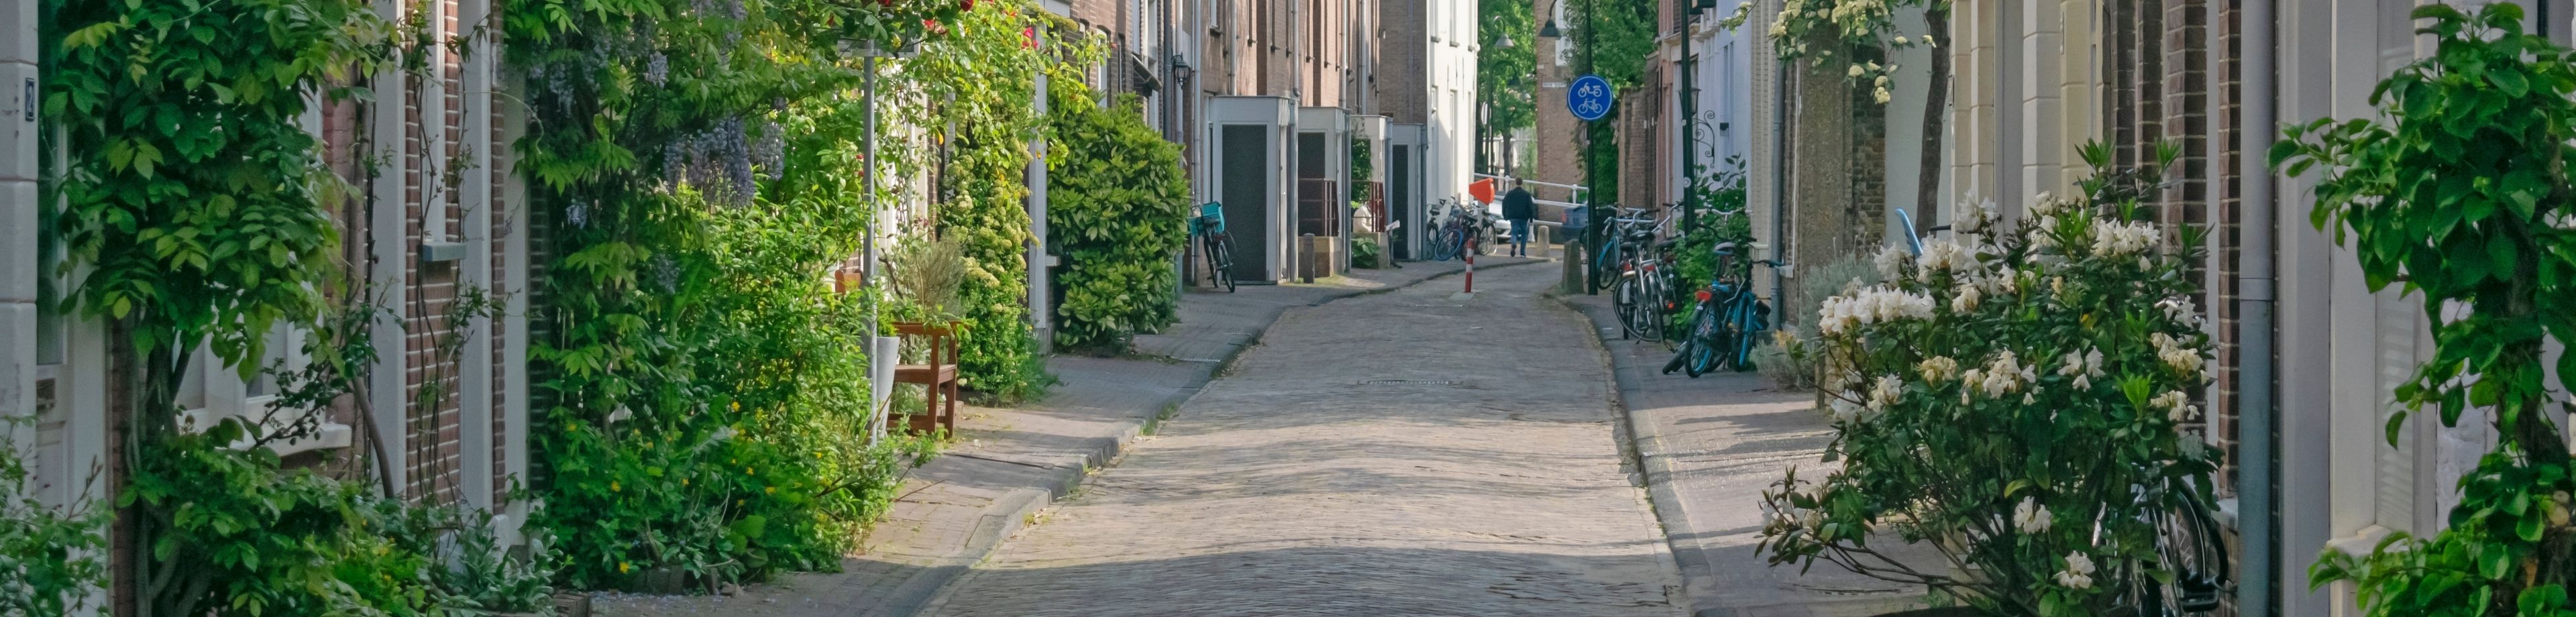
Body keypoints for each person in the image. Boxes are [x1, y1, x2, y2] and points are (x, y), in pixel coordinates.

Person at [1501, 180, 1536, 257]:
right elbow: (1530, 207)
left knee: (1514, 232)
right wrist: (1531, 219)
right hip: (1523, 217)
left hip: (1513, 216)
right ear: (1522, 183)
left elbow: (1504, 203)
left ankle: (1514, 243)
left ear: (1516, 183)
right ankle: (1522, 253)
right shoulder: (1527, 194)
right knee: (1524, 234)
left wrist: (1505, 215)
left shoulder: (1510, 193)